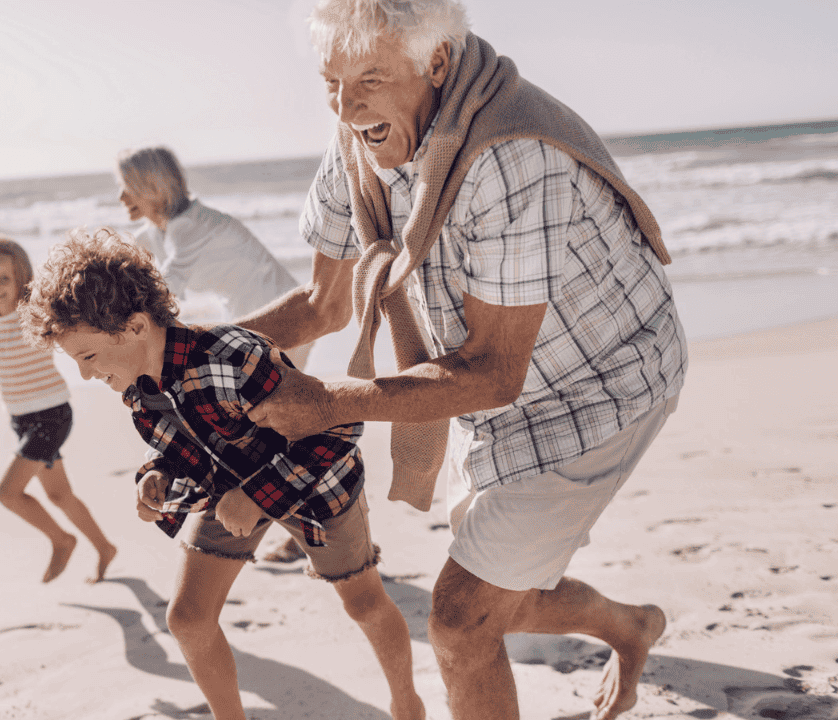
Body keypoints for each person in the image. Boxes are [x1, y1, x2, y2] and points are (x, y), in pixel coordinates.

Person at [235, 2, 688, 719]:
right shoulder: (360, 137)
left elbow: (495, 372)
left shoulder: (510, 154)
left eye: (371, 79)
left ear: (436, 62)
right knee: (506, 592)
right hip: (481, 384)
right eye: (331, 82)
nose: (347, 106)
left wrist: (330, 402)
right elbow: (324, 304)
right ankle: (632, 628)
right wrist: (186, 353)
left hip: (603, 384)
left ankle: (628, 629)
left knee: (460, 618)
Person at [20, 227, 427, 720]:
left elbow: (336, 428)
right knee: (188, 618)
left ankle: (408, 703)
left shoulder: (232, 357)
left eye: (87, 356)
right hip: (229, 491)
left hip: (318, 485)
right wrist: (157, 479)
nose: (85, 375)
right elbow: (184, 450)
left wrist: (257, 497)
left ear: (135, 327)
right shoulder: (136, 386)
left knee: (363, 603)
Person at [117, 145, 312, 563]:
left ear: (154, 187)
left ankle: (311, 529)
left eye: (128, 188)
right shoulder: (160, 232)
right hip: (250, 321)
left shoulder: (190, 226)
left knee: (276, 427)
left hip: (282, 317)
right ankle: (302, 527)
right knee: (267, 428)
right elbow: (137, 272)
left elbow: (164, 292)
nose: (121, 198)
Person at [0, 235, 117, 584]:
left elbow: (75, 334)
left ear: (21, 280)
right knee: (59, 494)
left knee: (8, 493)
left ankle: (62, 540)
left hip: (51, 415)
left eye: (4, 279)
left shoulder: (34, 315)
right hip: (22, 420)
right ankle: (104, 547)